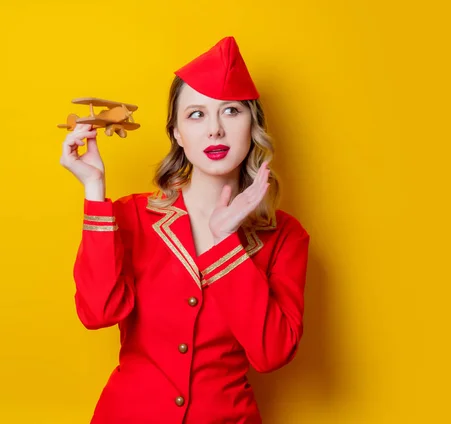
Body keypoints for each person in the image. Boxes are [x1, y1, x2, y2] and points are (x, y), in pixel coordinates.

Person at [60, 36, 310, 424]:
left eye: (230, 112)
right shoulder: (132, 216)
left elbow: (271, 353)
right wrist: (95, 190)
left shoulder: (287, 236)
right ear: (176, 133)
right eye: (196, 114)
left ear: (253, 126)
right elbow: (97, 313)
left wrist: (224, 240)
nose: (214, 130)